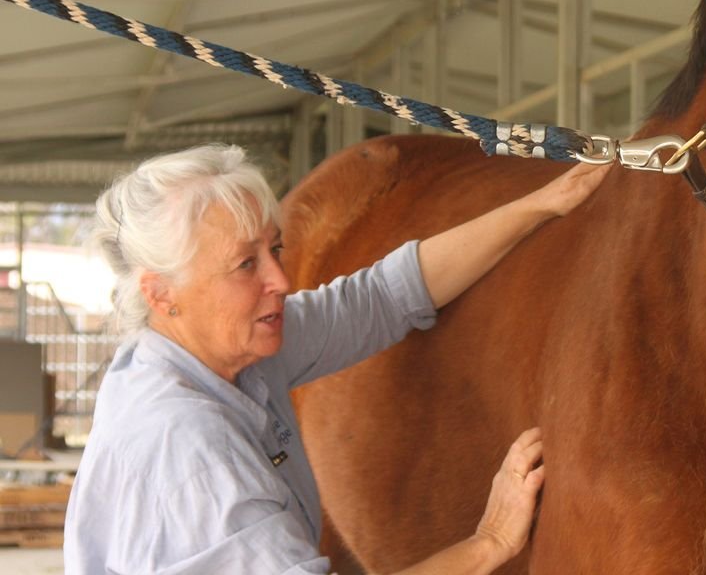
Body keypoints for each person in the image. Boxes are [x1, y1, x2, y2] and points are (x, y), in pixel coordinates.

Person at [63, 142, 607, 574]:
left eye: (272, 250)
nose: (279, 279)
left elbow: (383, 298)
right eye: (244, 266)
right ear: (161, 294)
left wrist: (539, 206)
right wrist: (488, 543)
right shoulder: (191, 451)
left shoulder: (210, 351)